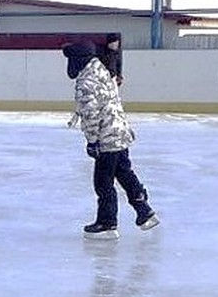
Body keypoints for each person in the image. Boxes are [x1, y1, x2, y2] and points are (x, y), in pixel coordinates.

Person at [64, 38, 159, 238]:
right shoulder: (102, 71)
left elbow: (91, 114)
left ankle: (108, 224)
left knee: (103, 181)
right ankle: (144, 211)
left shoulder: (86, 80)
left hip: (107, 137)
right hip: (120, 132)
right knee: (124, 172)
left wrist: (92, 141)